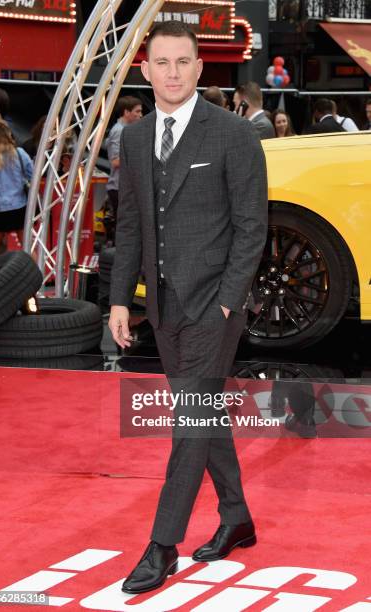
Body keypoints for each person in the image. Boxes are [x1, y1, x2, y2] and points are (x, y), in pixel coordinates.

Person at [108, 21, 268, 594]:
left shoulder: (232, 134)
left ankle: (162, 545)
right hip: (163, 306)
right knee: (205, 416)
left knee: (190, 421)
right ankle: (236, 517)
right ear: (145, 70)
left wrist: (228, 302)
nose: (173, 73)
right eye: (162, 63)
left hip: (213, 308)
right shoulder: (134, 136)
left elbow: (253, 228)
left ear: (201, 68)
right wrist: (121, 301)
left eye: (183, 62)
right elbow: (130, 227)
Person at [0, 121, 33, 261]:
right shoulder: (20, 153)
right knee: (28, 247)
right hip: (20, 206)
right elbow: (32, 174)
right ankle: (39, 278)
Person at [105, 96, 142, 243]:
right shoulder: (119, 131)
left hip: (124, 187)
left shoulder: (125, 130)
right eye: (137, 111)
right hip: (119, 187)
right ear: (126, 112)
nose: (140, 115)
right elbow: (115, 161)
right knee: (125, 227)